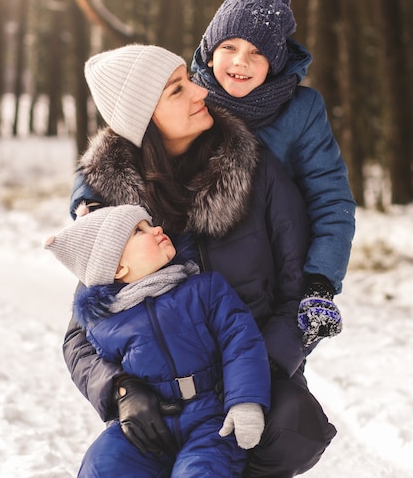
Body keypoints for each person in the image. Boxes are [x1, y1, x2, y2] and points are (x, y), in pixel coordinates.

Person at [64, 44, 336, 477]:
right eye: (177, 90)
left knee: (293, 425)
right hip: (162, 398)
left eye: (188, 79)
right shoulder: (111, 208)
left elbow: (297, 291)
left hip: (251, 365)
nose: (200, 92)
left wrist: (250, 372)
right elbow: (81, 333)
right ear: (143, 119)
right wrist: (120, 391)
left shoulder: (255, 169)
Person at [46, 203, 270, 477]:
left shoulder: (204, 289)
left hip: (209, 419)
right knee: (102, 464)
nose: (157, 229)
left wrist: (245, 401)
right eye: (140, 231)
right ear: (118, 267)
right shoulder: (104, 323)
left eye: (150, 223)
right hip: (147, 424)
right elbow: (93, 364)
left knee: (201, 471)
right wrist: (121, 393)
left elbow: (241, 342)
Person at [190, 0, 356, 346]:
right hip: (192, 271)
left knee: (271, 387)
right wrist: (90, 199)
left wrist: (320, 282)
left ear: (276, 62)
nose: (240, 62)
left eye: (257, 52)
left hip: (272, 281)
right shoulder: (186, 97)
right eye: (229, 47)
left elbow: (331, 199)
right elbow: (128, 147)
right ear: (209, 51)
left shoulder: (301, 111)